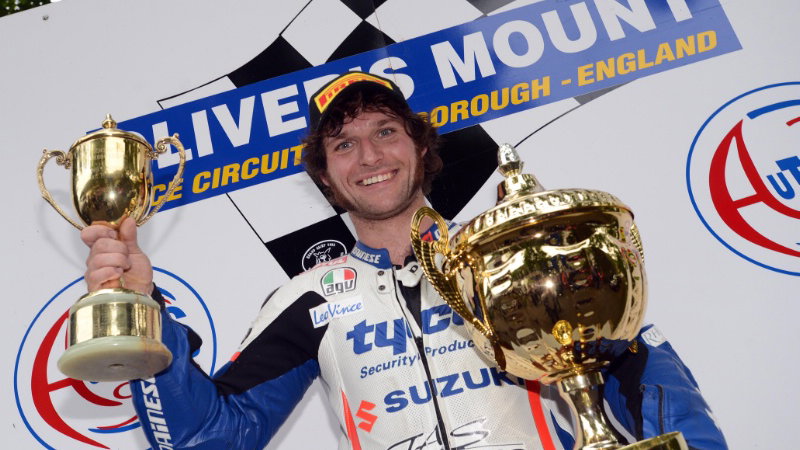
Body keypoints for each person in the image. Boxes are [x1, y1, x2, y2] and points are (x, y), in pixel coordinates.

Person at [81, 71, 727, 449]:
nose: (369, 156)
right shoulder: (307, 300)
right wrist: (140, 309)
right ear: (326, 177)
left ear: (420, 147)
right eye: (343, 145)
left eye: (386, 132)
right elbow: (209, 437)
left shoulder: (509, 254)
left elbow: (641, 372)